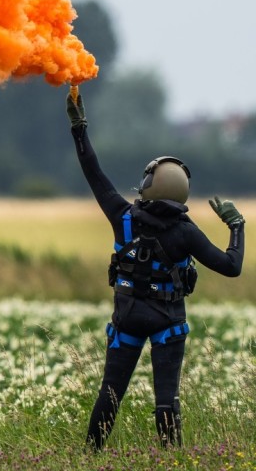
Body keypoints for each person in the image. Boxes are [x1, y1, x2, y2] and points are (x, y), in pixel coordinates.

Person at [66, 86, 245, 449]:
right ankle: (171, 459)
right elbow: (231, 267)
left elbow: (94, 174)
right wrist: (237, 227)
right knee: (167, 400)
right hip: (168, 322)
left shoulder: (123, 216)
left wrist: (79, 127)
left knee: (110, 393)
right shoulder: (186, 233)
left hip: (128, 317)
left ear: (150, 185)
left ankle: (89, 455)